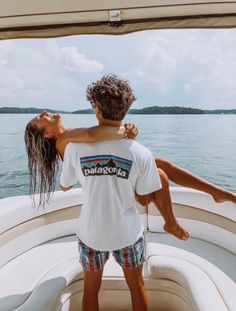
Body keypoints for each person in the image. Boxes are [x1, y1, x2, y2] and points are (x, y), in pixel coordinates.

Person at [25, 75, 236, 311]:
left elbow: (96, 137)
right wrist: (125, 130)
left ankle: (213, 194)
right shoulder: (67, 140)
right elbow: (97, 135)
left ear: (96, 109)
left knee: (161, 166)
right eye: (40, 118)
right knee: (160, 172)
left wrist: (124, 131)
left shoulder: (73, 143)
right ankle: (182, 214)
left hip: (95, 225)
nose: (44, 113)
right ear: (46, 134)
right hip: (123, 202)